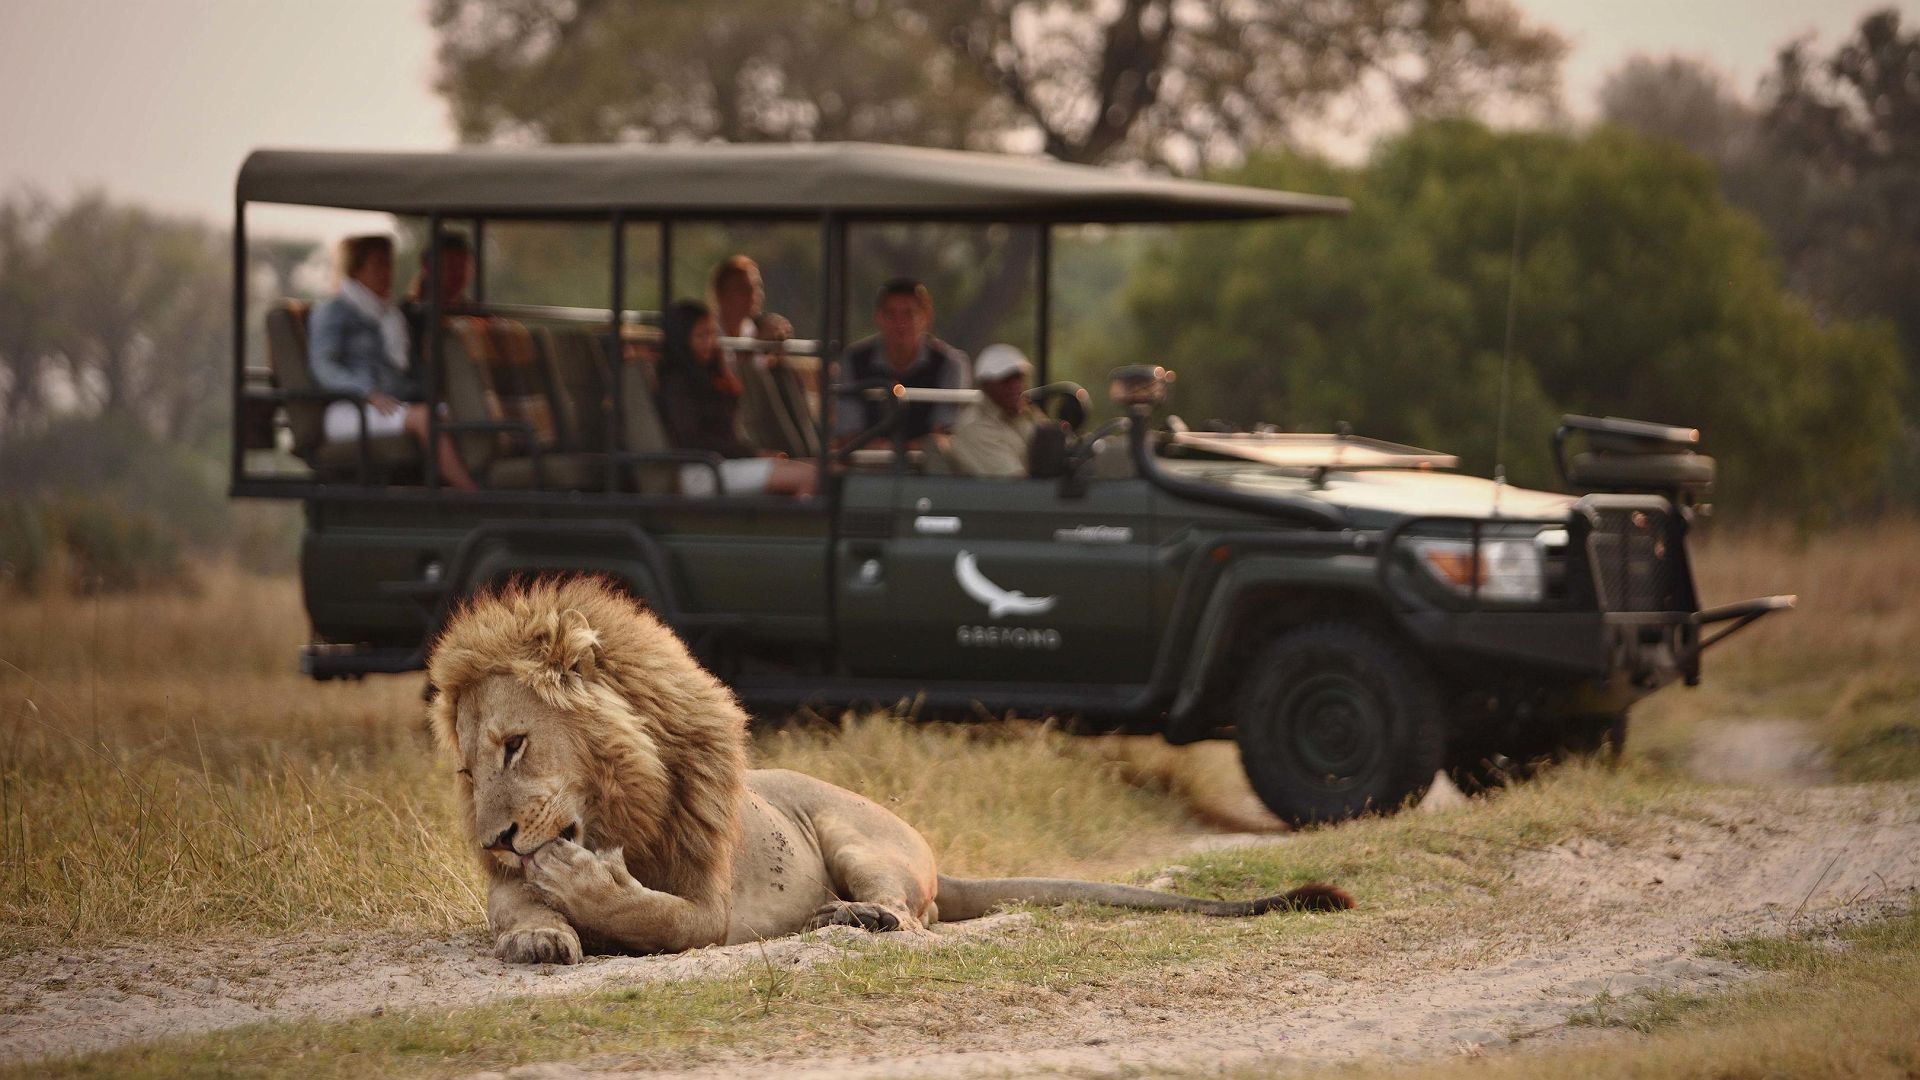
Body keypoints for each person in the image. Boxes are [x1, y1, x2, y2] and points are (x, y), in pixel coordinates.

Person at [307, 234, 477, 490]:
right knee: (425, 419)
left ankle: (472, 478)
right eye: (379, 265)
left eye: (389, 265)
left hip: (392, 402)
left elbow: (407, 368)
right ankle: (471, 493)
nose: (387, 273)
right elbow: (324, 367)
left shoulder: (389, 314)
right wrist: (366, 392)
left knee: (456, 412)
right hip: (351, 407)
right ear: (357, 269)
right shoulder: (333, 312)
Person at [654, 300, 817, 498]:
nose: (709, 343)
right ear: (682, 340)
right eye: (700, 336)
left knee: (819, 469)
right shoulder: (677, 382)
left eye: (711, 334)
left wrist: (753, 455)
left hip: (722, 464)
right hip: (701, 470)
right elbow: (695, 440)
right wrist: (752, 455)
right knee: (808, 476)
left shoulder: (709, 375)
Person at [834, 278, 969, 446]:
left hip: (929, 469)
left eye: (909, 314)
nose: (900, 324)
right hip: (864, 466)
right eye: (891, 314)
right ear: (878, 317)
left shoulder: (949, 363)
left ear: (926, 317)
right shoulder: (853, 360)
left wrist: (901, 454)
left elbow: (945, 433)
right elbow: (847, 431)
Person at [949, 344, 1042, 478]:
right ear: (986, 384)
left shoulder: (1027, 413)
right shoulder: (974, 427)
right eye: (1006, 379)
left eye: (1019, 377)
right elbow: (1016, 484)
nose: (1015, 386)